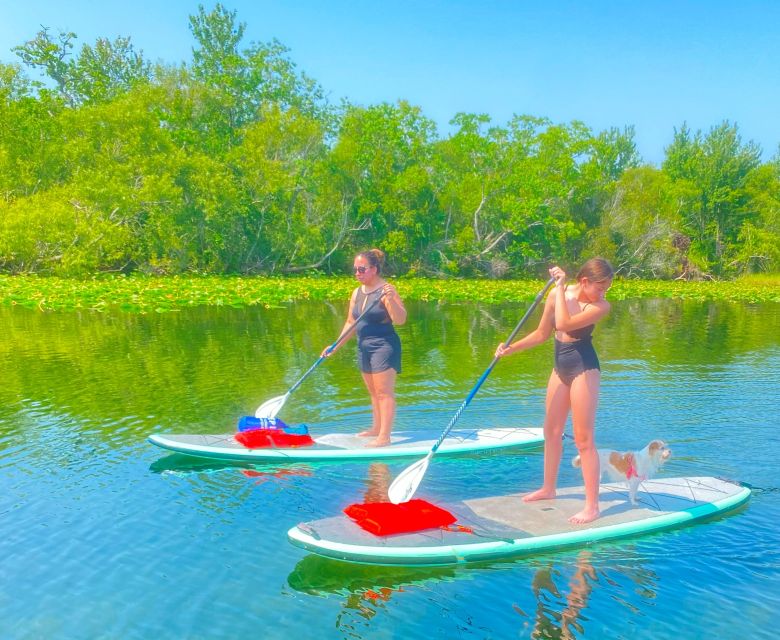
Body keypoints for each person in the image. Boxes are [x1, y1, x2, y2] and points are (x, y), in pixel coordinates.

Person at [495, 258, 614, 524]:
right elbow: (541, 333)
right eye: (601, 286)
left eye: (607, 287)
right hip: (560, 364)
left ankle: (592, 506)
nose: (604, 292)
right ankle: (549, 489)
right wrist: (510, 349)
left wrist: (560, 287)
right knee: (551, 431)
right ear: (584, 281)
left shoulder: (600, 306)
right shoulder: (557, 294)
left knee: (584, 440)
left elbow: (564, 323)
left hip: (584, 366)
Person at [323, 249, 406, 447]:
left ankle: (384, 437)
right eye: (355, 270)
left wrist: (393, 297)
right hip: (364, 347)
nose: (357, 274)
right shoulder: (357, 292)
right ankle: (376, 428)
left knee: (384, 392)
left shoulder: (386, 290)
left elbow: (400, 320)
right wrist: (335, 345)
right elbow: (351, 322)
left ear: (374, 269)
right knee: (373, 392)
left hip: (384, 346)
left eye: (361, 269)